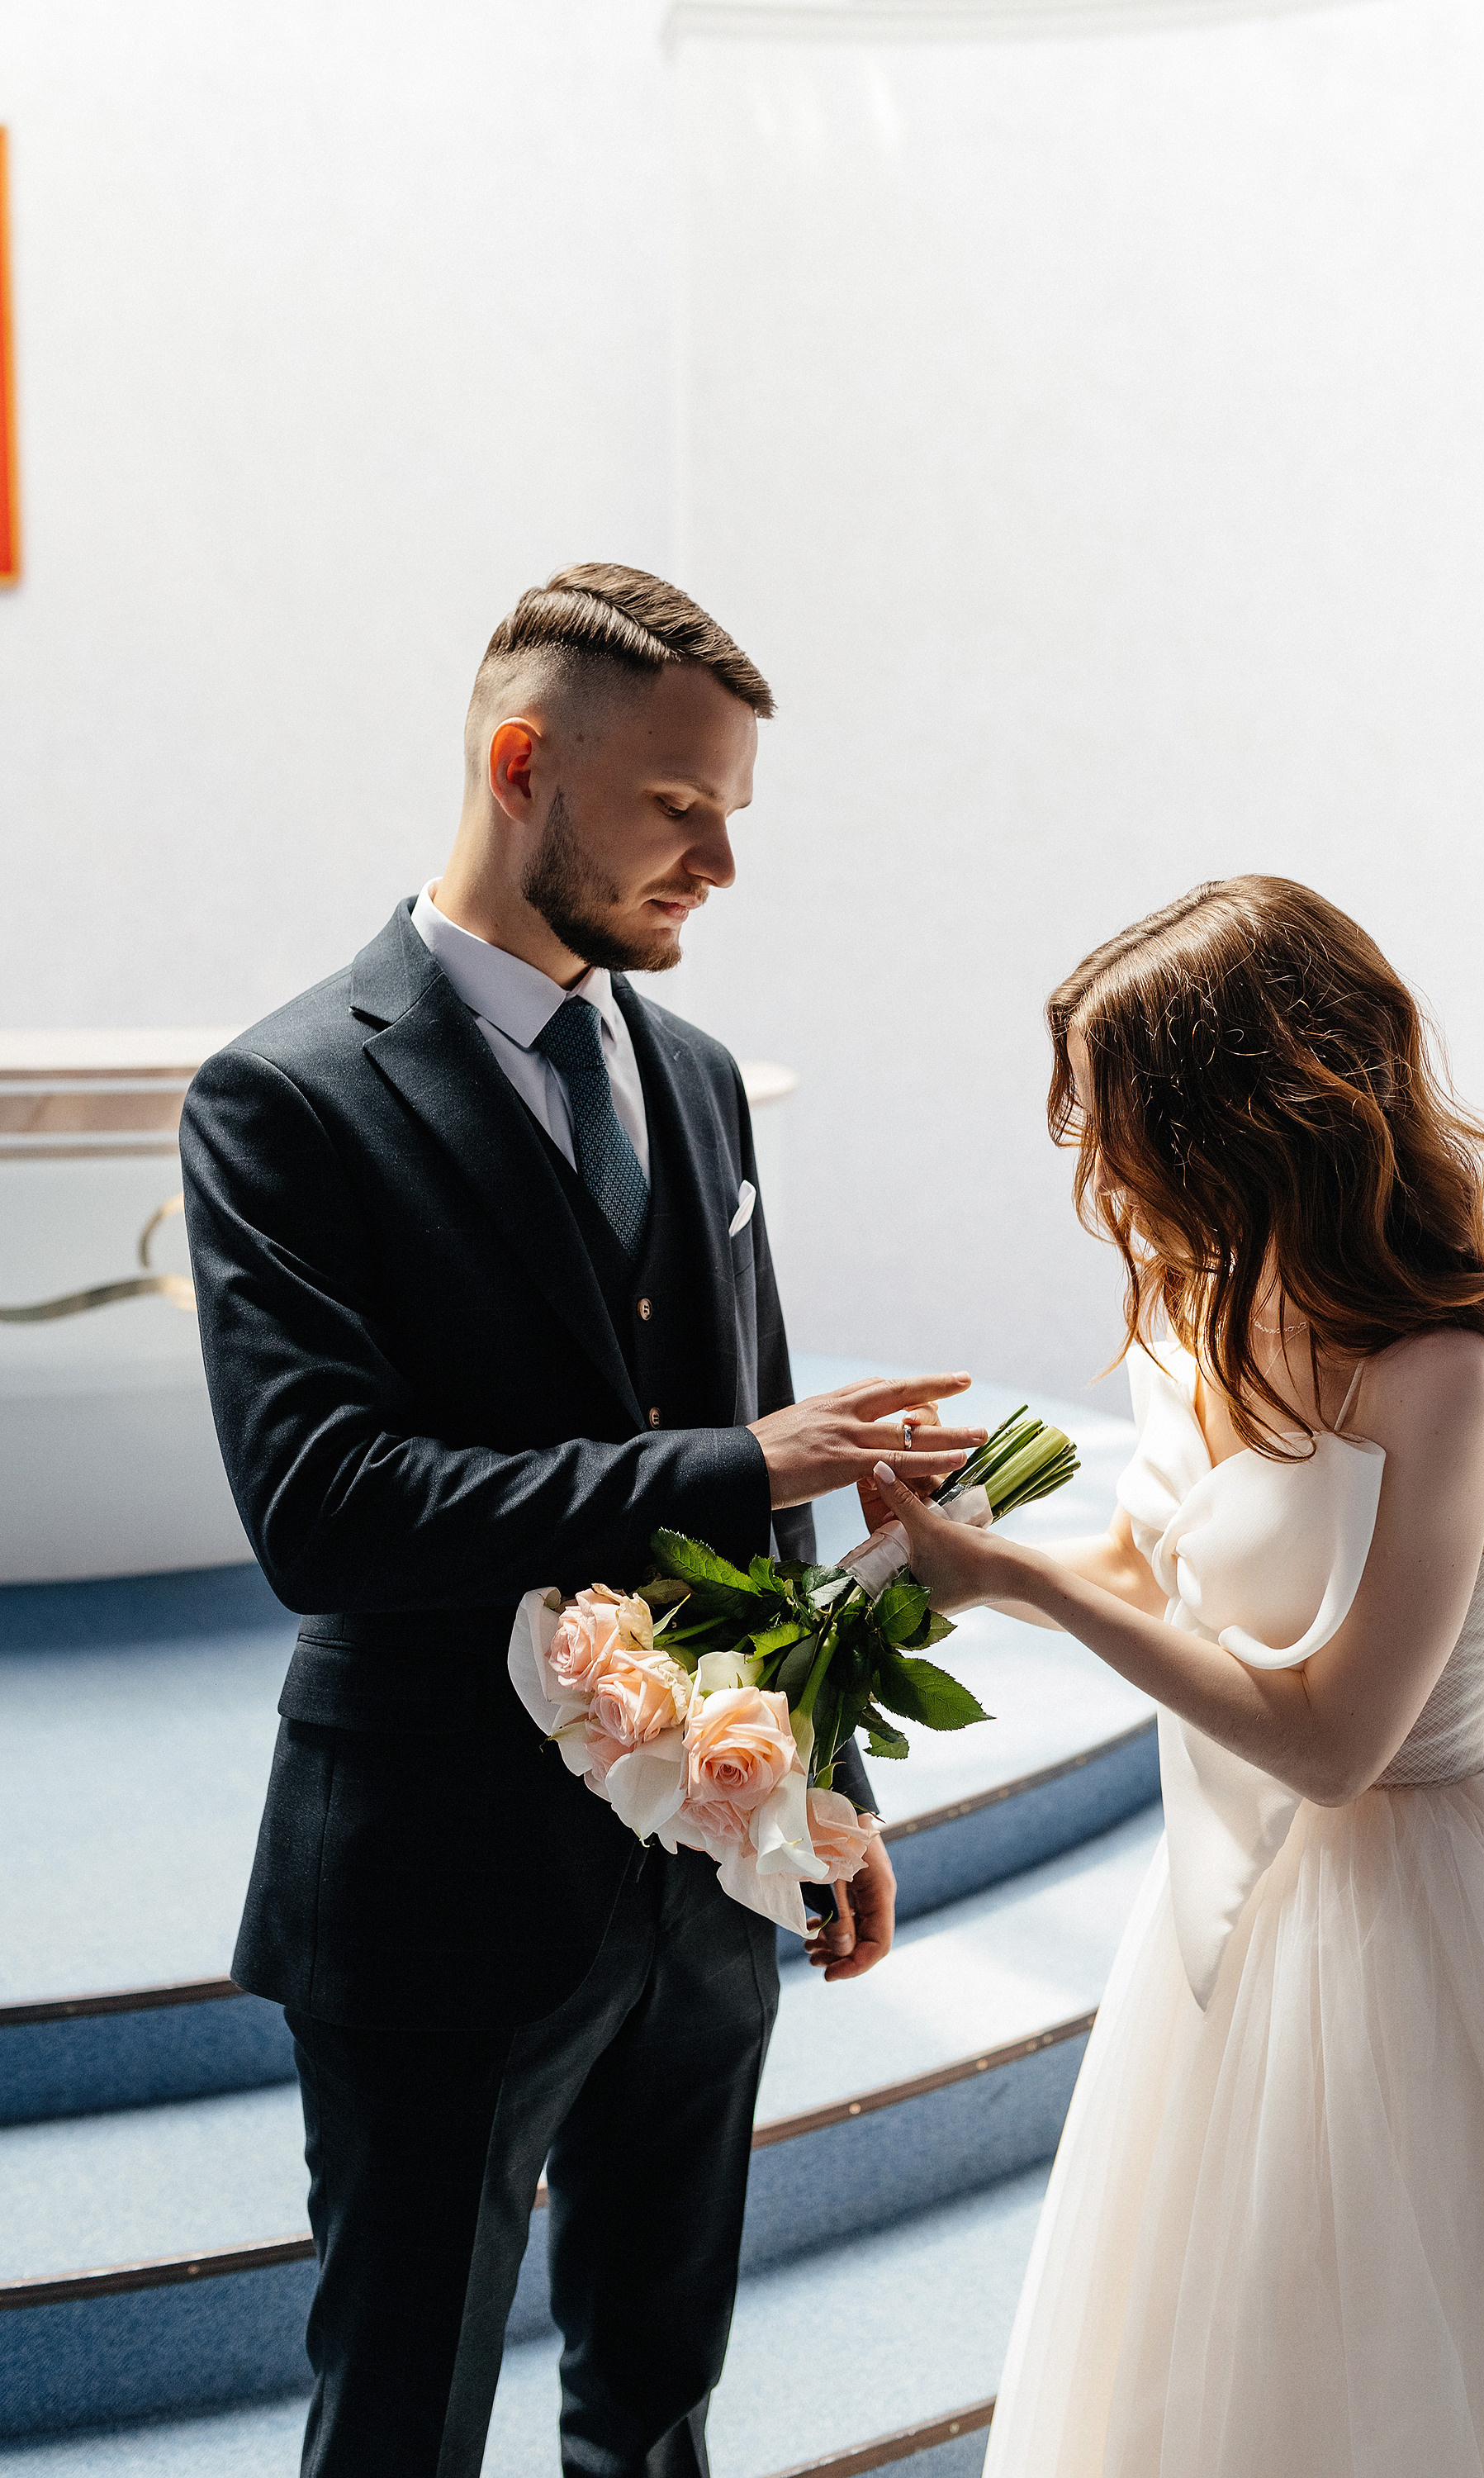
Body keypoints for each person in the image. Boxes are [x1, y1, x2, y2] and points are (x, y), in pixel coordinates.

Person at [179, 563, 986, 2478]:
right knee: (400, 2427)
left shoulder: (692, 1081)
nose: (720, 863)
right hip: (434, 1889)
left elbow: (760, 1498)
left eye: (735, 811)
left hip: (702, 1883)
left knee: (657, 2407)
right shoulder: (281, 1098)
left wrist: (820, 1787)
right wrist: (737, 1461)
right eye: (678, 805)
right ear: (520, 763)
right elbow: (327, 1511)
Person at [872, 876, 1484, 2477]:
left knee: (1422, 2369)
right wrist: (944, 1566)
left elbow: (1336, 1744)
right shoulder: (1198, 1303)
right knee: (1229, 2355)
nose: (1098, 1172)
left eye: (1118, 1128)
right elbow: (1139, 1573)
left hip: (1434, 1908)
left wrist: (1012, 1578)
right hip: (1238, 1899)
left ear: (1241, 1122)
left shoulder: (1445, 1374)